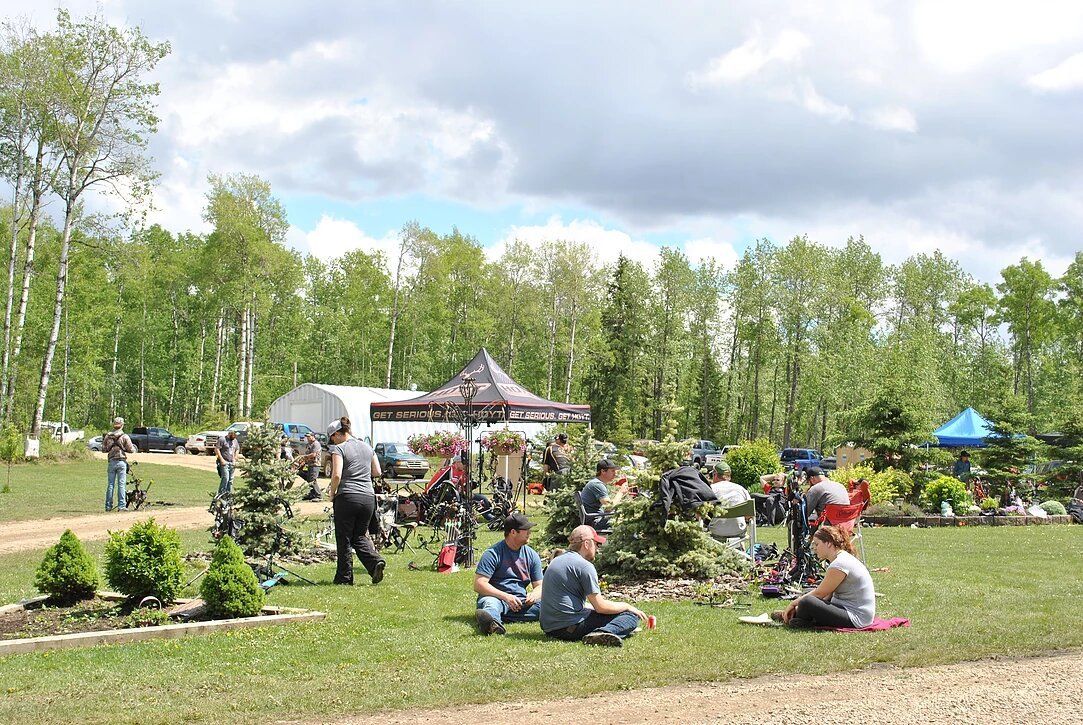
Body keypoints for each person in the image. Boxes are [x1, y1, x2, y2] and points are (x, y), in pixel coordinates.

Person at [540, 525, 648, 646]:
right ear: (586, 544)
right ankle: (603, 633)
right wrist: (627, 606)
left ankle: (606, 631)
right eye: (596, 544)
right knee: (630, 616)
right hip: (569, 628)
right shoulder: (584, 566)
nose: (597, 549)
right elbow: (600, 607)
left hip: (549, 628)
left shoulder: (556, 560)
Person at [772, 525, 875, 628]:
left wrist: (793, 604)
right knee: (809, 600)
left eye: (817, 544)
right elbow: (827, 595)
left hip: (857, 617)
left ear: (829, 543)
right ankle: (796, 618)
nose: (815, 548)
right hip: (849, 610)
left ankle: (797, 619)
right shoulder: (840, 559)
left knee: (807, 601)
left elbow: (820, 593)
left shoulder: (839, 564)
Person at [327, 416, 386, 585]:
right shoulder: (367, 447)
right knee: (359, 536)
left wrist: (332, 493)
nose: (333, 442)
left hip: (347, 497)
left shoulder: (339, 449)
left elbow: (336, 474)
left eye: (333, 438)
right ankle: (375, 563)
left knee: (344, 538)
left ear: (338, 434)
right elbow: (377, 471)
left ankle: (344, 578)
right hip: (368, 498)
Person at [473, 513, 544, 635]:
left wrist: (534, 595)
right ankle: (492, 623)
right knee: (491, 603)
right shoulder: (493, 553)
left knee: (549, 606)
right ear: (513, 532)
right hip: (497, 598)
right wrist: (506, 597)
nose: (529, 532)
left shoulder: (532, 555)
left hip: (521, 602)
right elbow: (479, 584)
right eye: (525, 530)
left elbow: (540, 585)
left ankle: (499, 617)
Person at [707, 461, 752, 544]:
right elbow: (749, 515)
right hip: (738, 531)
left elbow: (701, 514)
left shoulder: (710, 489)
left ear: (715, 475)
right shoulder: (741, 489)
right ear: (729, 476)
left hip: (716, 531)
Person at [102, 417, 136, 512]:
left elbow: (104, 449)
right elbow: (131, 449)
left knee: (110, 485)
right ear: (122, 425)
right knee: (121, 484)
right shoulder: (124, 436)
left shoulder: (108, 436)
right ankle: (121, 506)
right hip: (121, 462)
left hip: (112, 461)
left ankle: (108, 506)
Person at [580, 459, 625, 528]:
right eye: (612, 471)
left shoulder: (596, 483)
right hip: (596, 522)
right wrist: (621, 492)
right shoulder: (597, 484)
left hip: (597, 518)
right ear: (603, 471)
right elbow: (609, 507)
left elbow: (607, 508)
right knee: (628, 521)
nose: (615, 474)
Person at [298, 431, 323, 500]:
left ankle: (318, 495)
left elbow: (313, 454)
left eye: (309, 436)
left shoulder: (316, 444)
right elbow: (307, 454)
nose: (308, 438)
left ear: (313, 436)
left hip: (315, 464)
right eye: (307, 437)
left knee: (312, 480)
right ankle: (312, 494)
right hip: (310, 464)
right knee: (309, 479)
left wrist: (304, 457)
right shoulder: (309, 444)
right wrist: (303, 462)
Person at [216, 429, 240, 496]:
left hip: (232, 463)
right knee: (225, 478)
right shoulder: (222, 439)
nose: (235, 437)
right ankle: (221, 494)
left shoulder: (235, 441)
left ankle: (228, 495)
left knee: (231, 480)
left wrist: (235, 458)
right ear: (230, 434)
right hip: (224, 462)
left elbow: (237, 449)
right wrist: (221, 460)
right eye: (234, 435)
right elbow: (217, 449)